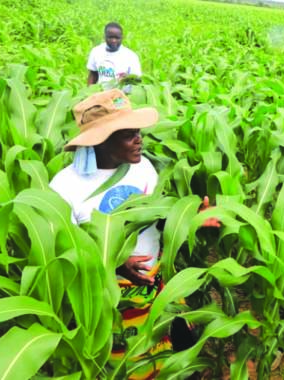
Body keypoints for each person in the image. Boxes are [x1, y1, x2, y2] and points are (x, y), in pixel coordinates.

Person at [49, 88, 218, 378]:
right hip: (109, 300)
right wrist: (114, 263)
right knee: (129, 366)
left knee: (179, 361)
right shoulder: (65, 187)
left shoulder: (143, 169)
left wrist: (189, 221)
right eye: (128, 134)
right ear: (101, 140)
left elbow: (157, 221)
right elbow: (64, 250)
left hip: (155, 286)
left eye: (138, 131)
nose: (139, 139)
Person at [87, 22, 141, 90]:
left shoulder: (131, 56)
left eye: (117, 38)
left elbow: (137, 80)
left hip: (122, 96)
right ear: (104, 37)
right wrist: (89, 93)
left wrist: (127, 78)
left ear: (122, 38)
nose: (113, 41)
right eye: (110, 37)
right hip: (102, 94)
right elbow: (93, 74)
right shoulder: (96, 52)